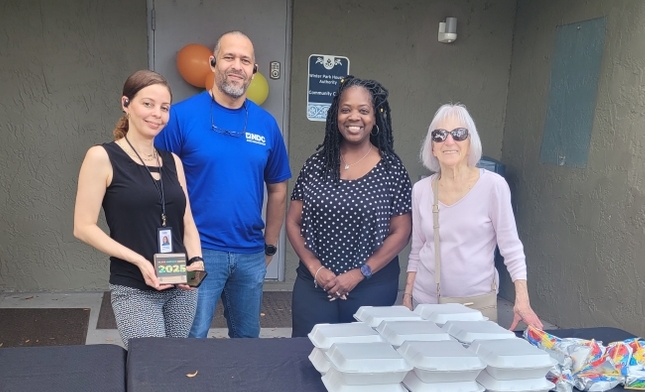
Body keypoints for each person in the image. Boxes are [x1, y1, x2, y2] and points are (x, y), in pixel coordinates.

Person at [156, 31, 291, 338]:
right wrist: (168, 259)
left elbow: (278, 189)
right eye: (229, 57)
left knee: (246, 340)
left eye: (245, 60)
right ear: (213, 63)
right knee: (187, 336)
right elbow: (157, 189)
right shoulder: (180, 117)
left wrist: (268, 246)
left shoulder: (266, 124)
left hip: (249, 255)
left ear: (254, 70)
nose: (237, 66)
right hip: (194, 251)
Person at [73, 70, 204, 347]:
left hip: (180, 286)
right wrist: (140, 261)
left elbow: (187, 222)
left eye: (164, 107)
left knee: (175, 362)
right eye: (148, 103)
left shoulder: (173, 162)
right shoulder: (102, 157)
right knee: (149, 363)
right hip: (135, 288)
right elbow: (83, 227)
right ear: (126, 104)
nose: (157, 113)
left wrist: (196, 264)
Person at [286, 76, 412, 337]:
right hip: (315, 287)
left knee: (363, 364)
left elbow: (401, 231)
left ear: (375, 118)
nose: (354, 117)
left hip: (371, 286)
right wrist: (316, 268)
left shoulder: (391, 169)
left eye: (363, 110)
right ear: (336, 116)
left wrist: (359, 273)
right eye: (346, 110)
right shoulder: (316, 165)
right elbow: (293, 222)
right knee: (306, 357)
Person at [404, 103, 543, 331]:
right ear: (432, 147)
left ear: (470, 144)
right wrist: (407, 296)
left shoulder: (493, 186)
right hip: (426, 303)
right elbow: (418, 248)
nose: (449, 141)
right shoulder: (420, 190)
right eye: (439, 135)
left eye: (459, 134)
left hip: (476, 306)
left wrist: (523, 301)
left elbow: (511, 247)